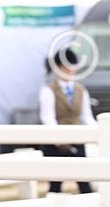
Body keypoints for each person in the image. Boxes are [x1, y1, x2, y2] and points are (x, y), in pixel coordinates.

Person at [39, 47, 96, 195]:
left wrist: (98, 133)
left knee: (84, 183)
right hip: (56, 144)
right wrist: (60, 140)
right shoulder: (49, 90)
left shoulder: (80, 89)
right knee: (55, 184)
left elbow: (86, 116)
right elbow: (48, 118)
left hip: (77, 140)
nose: (70, 70)